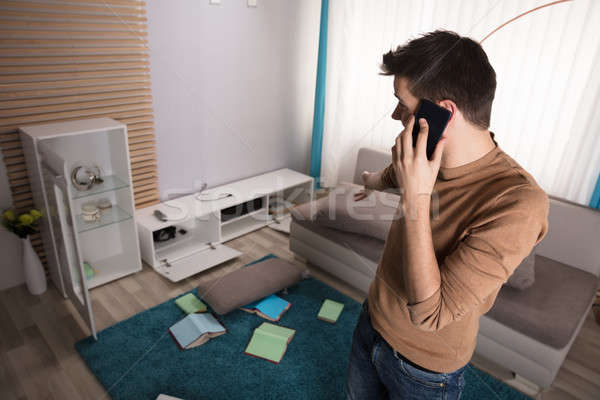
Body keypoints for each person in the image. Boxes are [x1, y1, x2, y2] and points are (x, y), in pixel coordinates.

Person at [345, 30, 549, 400]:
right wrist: (369, 182)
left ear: (444, 113)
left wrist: (416, 197)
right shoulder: (423, 154)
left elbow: (430, 313)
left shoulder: (519, 202)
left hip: (423, 369)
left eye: (402, 104)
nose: (395, 115)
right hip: (371, 321)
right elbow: (390, 174)